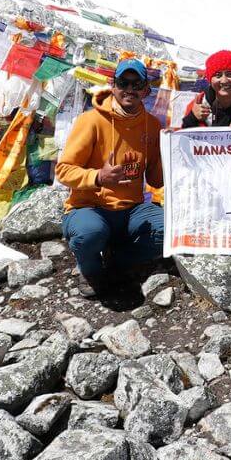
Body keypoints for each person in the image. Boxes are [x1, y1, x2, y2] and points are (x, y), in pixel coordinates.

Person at [55, 58, 165, 297]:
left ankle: (118, 260)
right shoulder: (90, 120)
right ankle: (91, 271)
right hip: (89, 207)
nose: (130, 90)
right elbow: (63, 170)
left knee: (168, 230)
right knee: (89, 234)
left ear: (146, 89)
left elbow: (156, 180)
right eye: (124, 83)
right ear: (113, 86)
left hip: (131, 209)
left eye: (137, 85)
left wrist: (176, 161)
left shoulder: (153, 125)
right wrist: (98, 177)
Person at [181, 50, 231, 128]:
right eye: (218, 75)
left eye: (230, 74)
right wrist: (192, 117)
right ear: (210, 79)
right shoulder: (198, 103)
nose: (224, 81)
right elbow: (182, 138)